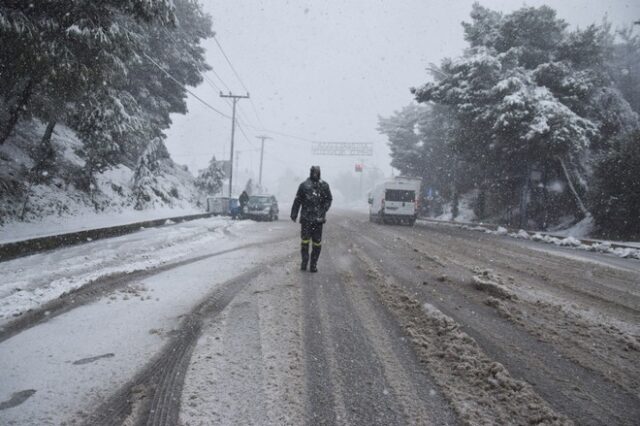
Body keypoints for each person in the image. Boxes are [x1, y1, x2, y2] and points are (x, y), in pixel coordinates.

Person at [291, 166, 332, 272]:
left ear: (319, 173)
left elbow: (329, 199)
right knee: (305, 242)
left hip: (318, 221)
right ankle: (304, 262)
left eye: (317, 173)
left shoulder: (324, 186)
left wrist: (324, 209)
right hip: (306, 219)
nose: (315, 174)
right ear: (310, 173)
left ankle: (313, 264)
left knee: (317, 243)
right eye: (314, 172)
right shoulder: (304, 185)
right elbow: (297, 200)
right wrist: (294, 213)